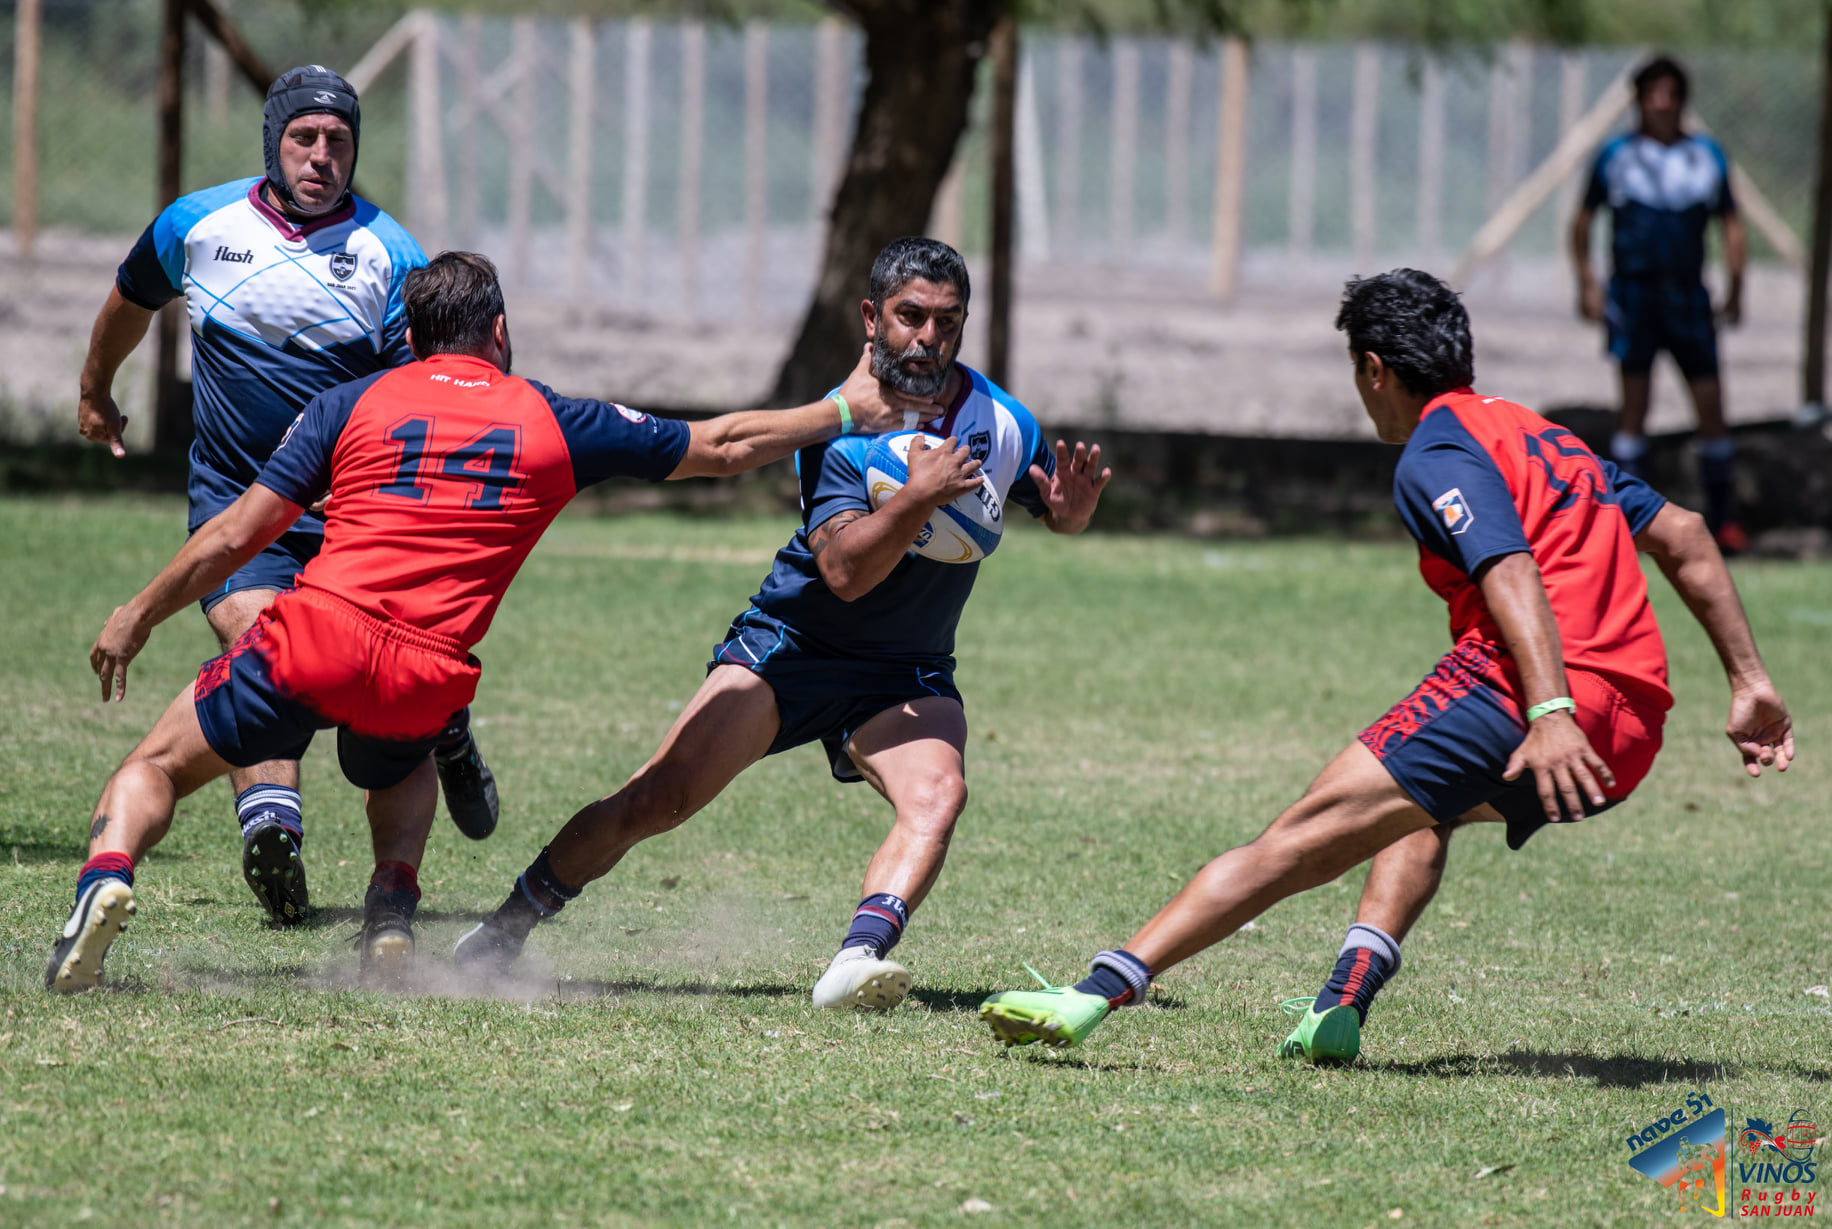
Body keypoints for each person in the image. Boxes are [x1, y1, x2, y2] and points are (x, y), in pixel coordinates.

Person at [45, 251, 924, 993]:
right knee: (408, 750)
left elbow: (237, 535)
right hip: (428, 671)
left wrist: (139, 612)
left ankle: (106, 879)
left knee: (155, 764)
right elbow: (722, 444)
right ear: (498, 332)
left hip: (314, 637)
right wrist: (845, 409)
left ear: (411, 339)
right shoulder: (552, 419)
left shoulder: (352, 403)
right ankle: (391, 910)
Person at [978, 269, 1793, 1057]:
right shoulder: (1546, 437)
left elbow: (1508, 570)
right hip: (1630, 732)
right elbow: (1685, 533)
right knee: (1421, 805)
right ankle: (1339, 1004)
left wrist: (1547, 714)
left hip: (1538, 703)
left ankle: (1092, 994)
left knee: (1295, 840)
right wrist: (1750, 681)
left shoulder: (1437, 449)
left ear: (1375, 369)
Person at [453, 237, 1112, 1012]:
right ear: (872, 317)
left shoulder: (1004, 424)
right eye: (910, 317)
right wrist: (916, 498)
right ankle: (507, 925)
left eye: (947, 321)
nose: (928, 338)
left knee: (939, 794)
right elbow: (844, 573)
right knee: (654, 800)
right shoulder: (841, 426)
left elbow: (1044, 505)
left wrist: (1069, 514)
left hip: (906, 668)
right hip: (791, 649)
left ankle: (856, 960)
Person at [75, 66, 498, 925]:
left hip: (354, 516)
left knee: (353, 673)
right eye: (305, 138)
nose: (321, 156)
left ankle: (434, 726)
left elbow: (427, 389)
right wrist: (94, 389)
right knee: (264, 638)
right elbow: (129, 300)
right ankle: (275, 820)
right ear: (274, 140)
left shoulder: (390, 252)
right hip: (241, 504)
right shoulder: (198, 224)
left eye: (338, 142)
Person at [1571, 55, 1748, 552]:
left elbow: (1731, 224)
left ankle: (1724, 518)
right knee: (1634, 407)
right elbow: (1582, 223)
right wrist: (1587, 283)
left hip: (1688, 296)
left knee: (1711, 405)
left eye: (1670, 94)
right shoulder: (1616, 157)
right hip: (1634, 295)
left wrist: (1737, 285)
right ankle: (1625, 522)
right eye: (1653, 94)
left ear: (1682, 100)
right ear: (1640, 100)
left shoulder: (1706, 156)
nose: (1661, 104)